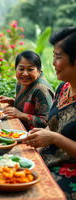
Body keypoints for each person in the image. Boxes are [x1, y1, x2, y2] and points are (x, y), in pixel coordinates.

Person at [25, 27, 76, 200]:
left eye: (59, 57)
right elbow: (51, 126)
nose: (53, 62)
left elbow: (53, 135)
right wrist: (33, 142)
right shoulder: (63, 88)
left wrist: (54, 138)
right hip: (47, 160)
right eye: (53, 56)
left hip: (68, 173)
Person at [0, 50, 54, 131]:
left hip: (35, 136)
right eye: (21, 69)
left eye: (30, 69)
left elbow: (46, 123)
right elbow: (30, 106)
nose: (25, 73)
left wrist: (20, 114)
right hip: (20, 129)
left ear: (39, 71)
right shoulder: (21, 82)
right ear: (16, 69)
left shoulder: (41, 89)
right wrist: (13, 101)